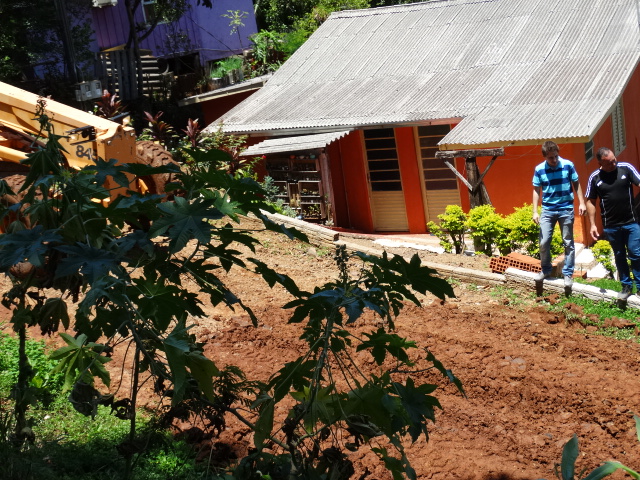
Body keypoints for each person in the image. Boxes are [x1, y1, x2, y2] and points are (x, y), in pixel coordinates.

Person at [585, 147, 640, 301]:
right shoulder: (595, 178)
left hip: (631, 222)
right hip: (611, 226)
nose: (614, 163)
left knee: (636, 254)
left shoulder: (626, 169)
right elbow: (590, 201)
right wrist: (593, 225)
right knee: (619, 255)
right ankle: (626, 286)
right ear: (600, 163)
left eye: (614, 159)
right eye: (610, 163)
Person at [532, 141, 586, 288]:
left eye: (556, 156)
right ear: (545, 157)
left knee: (568, 242)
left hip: (566, 208)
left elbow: (576, 183)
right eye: (551, 158)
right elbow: (537, 190)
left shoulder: (568, 165)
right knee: (544, 242)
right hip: (548, 210)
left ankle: (567, 274)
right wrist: (535, 211)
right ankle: (546, 270)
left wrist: (581, 202)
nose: (554, 160)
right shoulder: (539, 169)